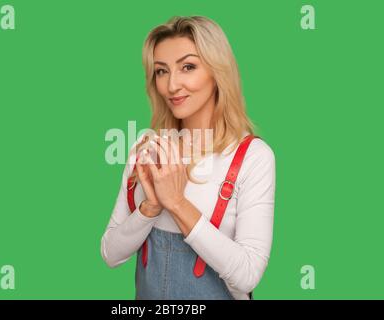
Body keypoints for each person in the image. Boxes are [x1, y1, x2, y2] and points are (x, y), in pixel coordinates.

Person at [101, 15, 276, 300]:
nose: (172, 86)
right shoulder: (147, 151)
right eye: (161, 71)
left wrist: (177, 203)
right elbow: (110, 254)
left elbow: (247, 276)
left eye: (188, 67)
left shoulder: (252, 157)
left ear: (217, 72)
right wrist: (151, 207)